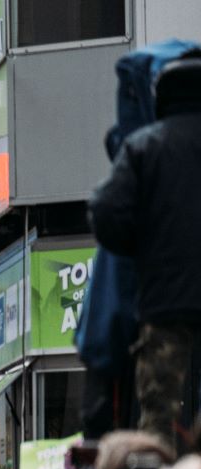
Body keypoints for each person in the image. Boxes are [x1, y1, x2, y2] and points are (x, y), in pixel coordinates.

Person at [89, 52, 201, 448]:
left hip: (164, 304)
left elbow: (105, 211)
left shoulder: (144, 147)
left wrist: (138, 247)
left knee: (158, 419)